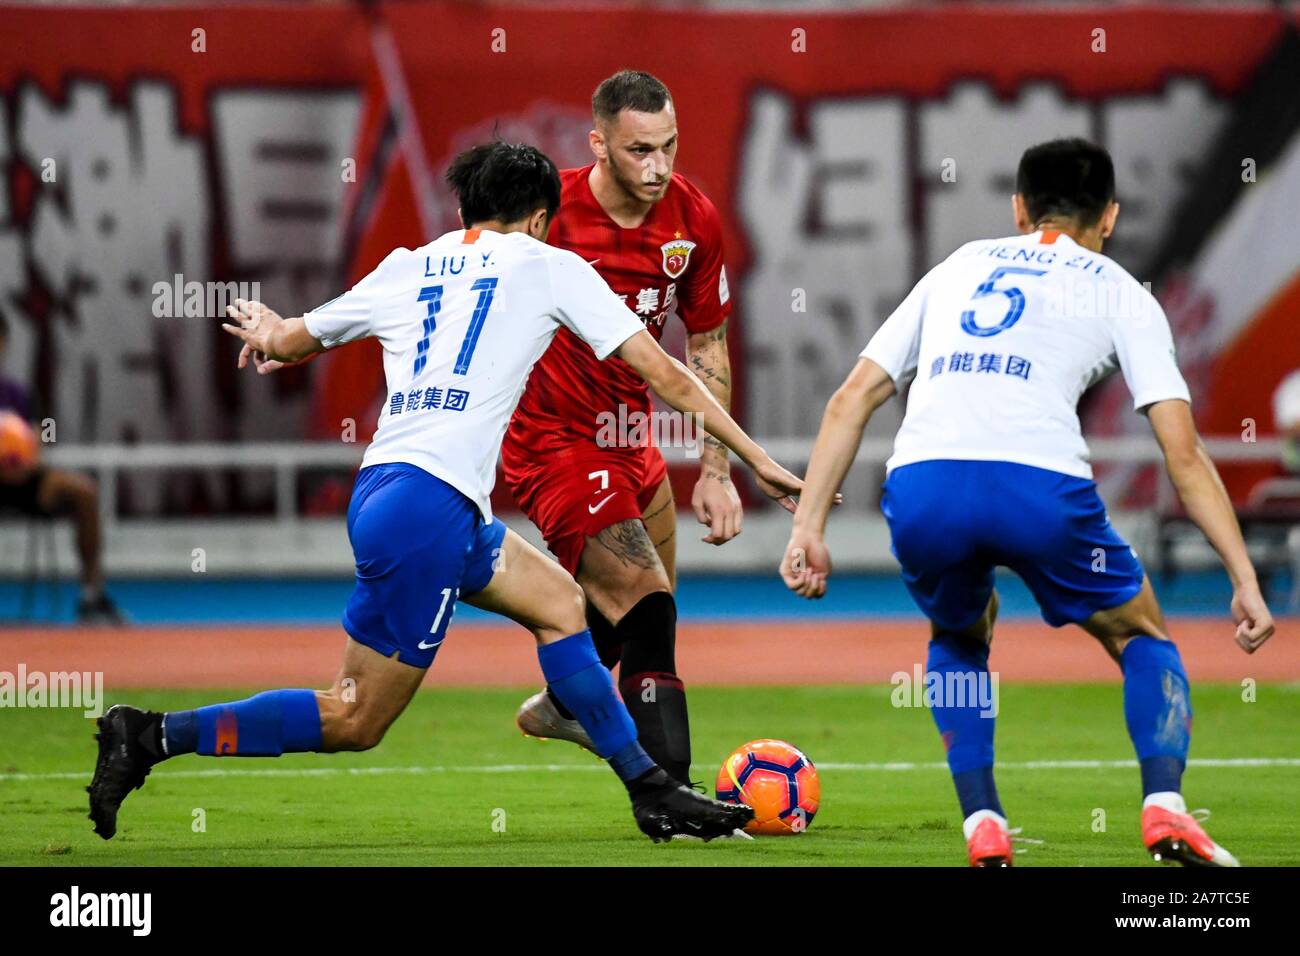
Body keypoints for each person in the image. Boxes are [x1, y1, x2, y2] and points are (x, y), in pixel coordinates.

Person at [89, 141, 809, 843]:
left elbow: (292, 341)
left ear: (467, 207)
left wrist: (270, 332)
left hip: (402, 496)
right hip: (427, 512)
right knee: (355, 719)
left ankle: (649, 789)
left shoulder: (409, 266)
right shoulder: (551, 266)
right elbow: (669, 374)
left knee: (563, 606)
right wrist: (752, 459)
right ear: (539, 218)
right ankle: (151, 735)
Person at [779, 138, 1275, 867]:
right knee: (1140, 634)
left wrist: (809, 527)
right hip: (1036, 486)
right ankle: (1166, 809)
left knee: (959, 635)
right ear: (1109, 217)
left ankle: (983, 821)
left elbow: (853, 396)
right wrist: (1242, 575)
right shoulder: (1118, 288)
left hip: (924, 485)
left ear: (1018, 208)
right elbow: (1184, 453)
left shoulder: (954, 269)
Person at [503, 70, 739, 784]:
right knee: (649, 603)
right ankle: (674, 796)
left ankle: (560, 704)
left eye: (668, 146)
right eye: (639, 150)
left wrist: (718, 471)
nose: (658, 167)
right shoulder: (548, 213)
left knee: (638, 613)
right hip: (551, 440)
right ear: (597, 143)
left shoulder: (693, 221)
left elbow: (706, 346)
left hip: (630, 441)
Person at [0, 309, 123, 624]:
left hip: (22, 480)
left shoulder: (19, 394)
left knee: (84, 492)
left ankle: (91, 596)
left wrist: (27, 462)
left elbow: (39, 438)